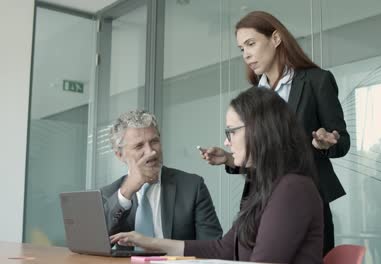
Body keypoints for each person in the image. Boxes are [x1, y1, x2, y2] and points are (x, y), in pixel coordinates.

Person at [110, 88, 324, 264]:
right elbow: (223, 249)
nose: (227, 142)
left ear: (260, 131)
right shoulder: (268, 186)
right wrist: (148, 242)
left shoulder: (291, 189)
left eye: (232, 131)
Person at [199, 10, 350, 255]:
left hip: (304, 198)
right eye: (241, 49)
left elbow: (342, 142)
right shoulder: (255, 95)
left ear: (276, 39)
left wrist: (326, 143)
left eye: (251, 43)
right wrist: (228, 159)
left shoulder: (316, 81)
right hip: (261, 202)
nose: (246, 54)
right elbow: (264, 154)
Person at [100, 110, 222, 241]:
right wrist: (127, 191)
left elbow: (213, 246)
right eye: (139, 146)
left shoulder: (192, 187)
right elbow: (97, 241)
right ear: (120, 155)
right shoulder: (108, 195)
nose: (151, 151)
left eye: (154, 142)